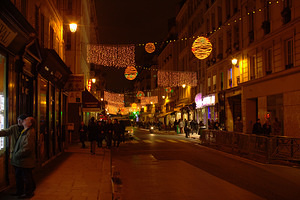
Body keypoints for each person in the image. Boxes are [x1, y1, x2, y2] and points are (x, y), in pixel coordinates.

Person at [0, 114, 28, 196]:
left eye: (21, 120)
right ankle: (20, 191)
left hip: (23, 156)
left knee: (24, 174)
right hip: (15, 155)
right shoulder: (14, 128)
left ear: (24, 121)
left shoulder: (27, 129)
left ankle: (26, 191)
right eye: (18, 120)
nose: (19, 122)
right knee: (18, 174)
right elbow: (5, 132)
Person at [11, 116, 36, 198]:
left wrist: (17, 155)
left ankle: (28, 193)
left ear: (30, 124)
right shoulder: (24, 131)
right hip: (21, 160)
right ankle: (20, 191)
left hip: (24, 160)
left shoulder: (30, 133)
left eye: (26, 120)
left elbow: (27, 148)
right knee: (21, 176)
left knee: (26, 177)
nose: (24, 120)